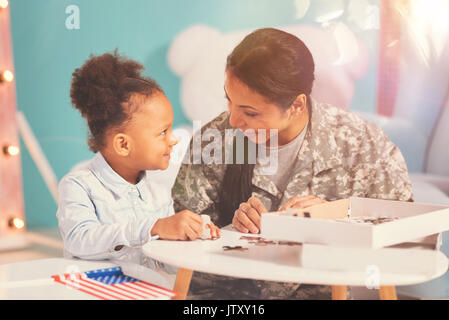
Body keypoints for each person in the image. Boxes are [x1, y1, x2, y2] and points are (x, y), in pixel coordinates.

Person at [172, 28, 413, 299]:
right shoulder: (215, 141)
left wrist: (338, 218)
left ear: (297, 105)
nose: (233, 121)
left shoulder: (360, 143)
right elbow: (186, 228)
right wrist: (228, 227)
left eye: (250, 112)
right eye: (229, 99)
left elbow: (407, 233)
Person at [56, 51, 220, 268]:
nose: (173, 140)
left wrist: (194, 233)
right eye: (163, 132)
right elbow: (80, 240)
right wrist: (152, 228)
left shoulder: (159, 195)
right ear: (123, 145)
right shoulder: (78, 186)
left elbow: (166, 253)